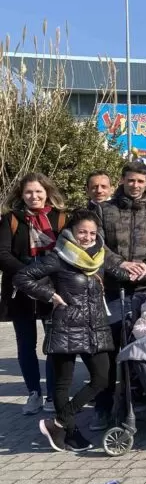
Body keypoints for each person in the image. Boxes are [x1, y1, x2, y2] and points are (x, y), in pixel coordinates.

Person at [15, 210, 127, 452]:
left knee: (102, 378)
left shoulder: (99, 256)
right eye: (82, 232)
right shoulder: (58, 257)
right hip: (66, 326)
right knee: (62, 383)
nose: (87, 237)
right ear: (71, 233)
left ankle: (58, 422)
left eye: (92, 233)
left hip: (96, 326)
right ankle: (69, 433)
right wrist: (48, 295)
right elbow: (22, 278)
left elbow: (121, 271)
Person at [92, 160, 146, 430]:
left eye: (141, 181)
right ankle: (104, 409)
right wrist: (121, 265)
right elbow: (97, 244)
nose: (135, 185)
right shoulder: (105, 210)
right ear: (122, 181)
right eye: (131, 180)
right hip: (114, 291)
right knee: (109, 351)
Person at [0, 173, 69, 414]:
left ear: (47, 192)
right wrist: (29, 273)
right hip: (20, 291)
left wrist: (43, 273)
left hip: (54, 290)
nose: (34, 196)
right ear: (21, 195)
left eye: (38, 191)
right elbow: (3, 254)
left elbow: (67, 252)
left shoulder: (60, 218)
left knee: (53, 345)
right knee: (25, 344)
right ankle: (34, 393)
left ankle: (52, 395)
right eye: (29, 192)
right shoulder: (11, 219)